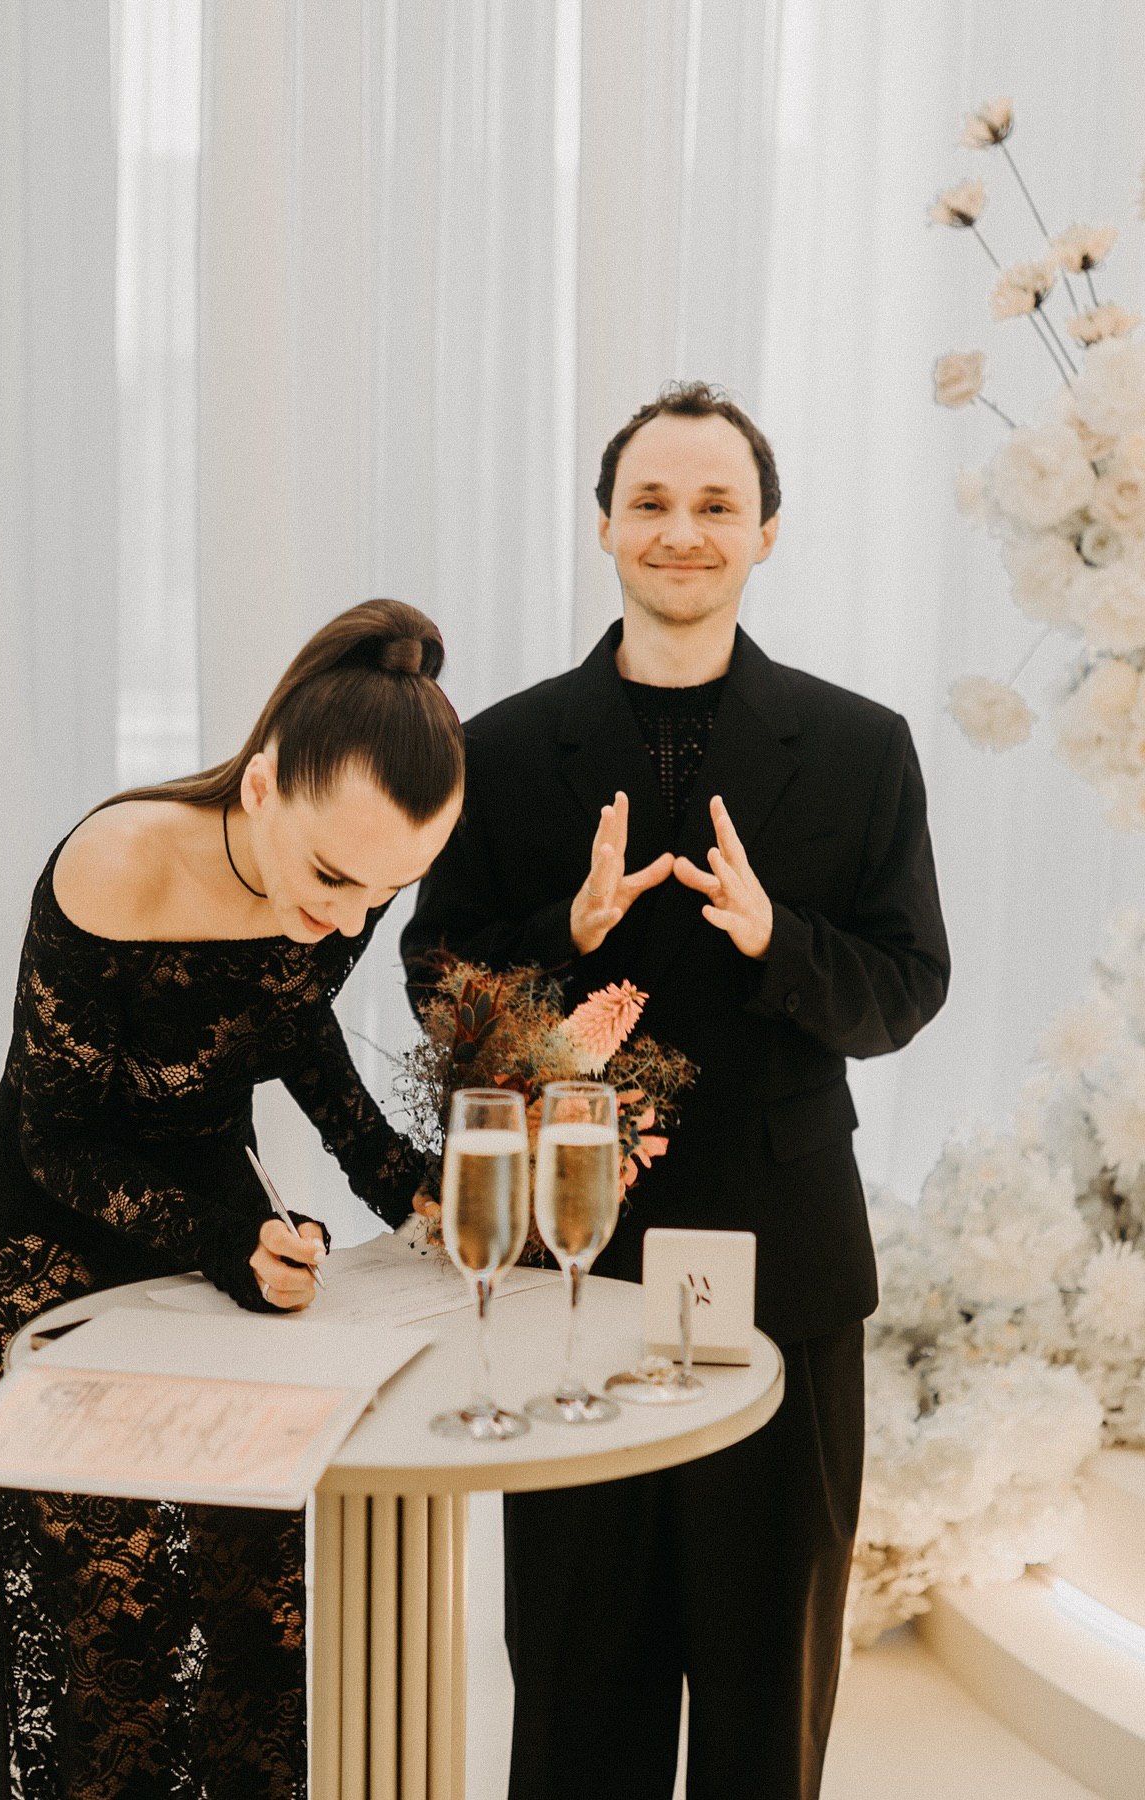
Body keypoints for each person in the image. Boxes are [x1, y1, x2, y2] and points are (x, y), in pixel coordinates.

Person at [402, 382, 950, 1799]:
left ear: (767, 531)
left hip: (787, 1273)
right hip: (575, 1266)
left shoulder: (862, 747)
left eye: (717, 504)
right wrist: (565, 935)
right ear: (604, 525)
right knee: (578, 1676)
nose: (682, 531)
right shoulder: (501, 750)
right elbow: (436, 983)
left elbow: (907, 988)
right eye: (651, 501)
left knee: (770, 1682)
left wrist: (780, 944)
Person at [0, 598, 463, 1800]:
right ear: (260, 788)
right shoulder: (118, 861)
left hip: (214, 1195)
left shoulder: (350, 869)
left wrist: (406, 1182)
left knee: (250, 1583)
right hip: (49, 1220)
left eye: (386, 891)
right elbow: (58, 1136)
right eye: (333, 878)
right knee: (115, 1608)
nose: (349, 920)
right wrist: (228, 1238)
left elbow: (295, 1025)